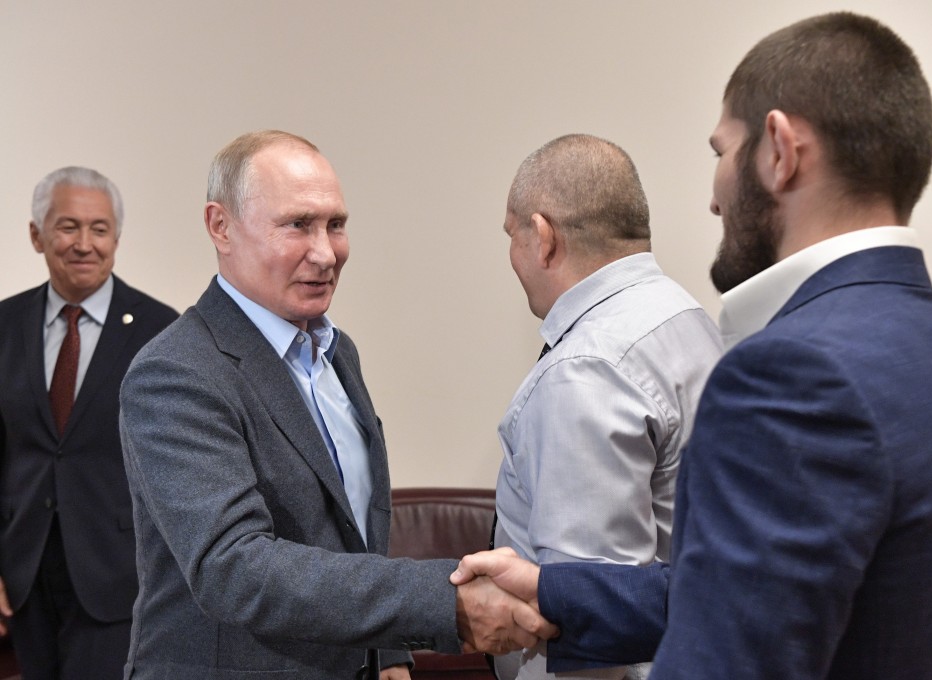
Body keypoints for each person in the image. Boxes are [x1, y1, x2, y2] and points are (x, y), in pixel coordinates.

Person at [452, 12, 932, 680]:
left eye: (721, 152)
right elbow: (763, 596)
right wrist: (556, 591)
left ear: (779, 150)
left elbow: (729, 655)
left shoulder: (791, 371)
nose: (715, 198)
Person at [118, 130, 555, 680]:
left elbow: (351, 528)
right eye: (297, 225)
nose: (326, 253)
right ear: (220, 226)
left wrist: (386, 653)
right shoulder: (176, 372)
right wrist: (445, 604)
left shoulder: (335, 351)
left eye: (336, 224)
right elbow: (234, 568)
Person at [492, 134, 721, 680]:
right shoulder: (684, 318)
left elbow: (590, 626)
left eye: (512, 234)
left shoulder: (587, 369)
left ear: (543, 237)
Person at [0, 167, 179, 679]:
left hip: (120, 577)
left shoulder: (161, 332)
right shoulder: (5, 325)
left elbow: (175, 470)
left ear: (116, 239)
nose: (84, 244)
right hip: (24, 576)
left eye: (99, 229)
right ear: (37, 235)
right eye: (68, 226)